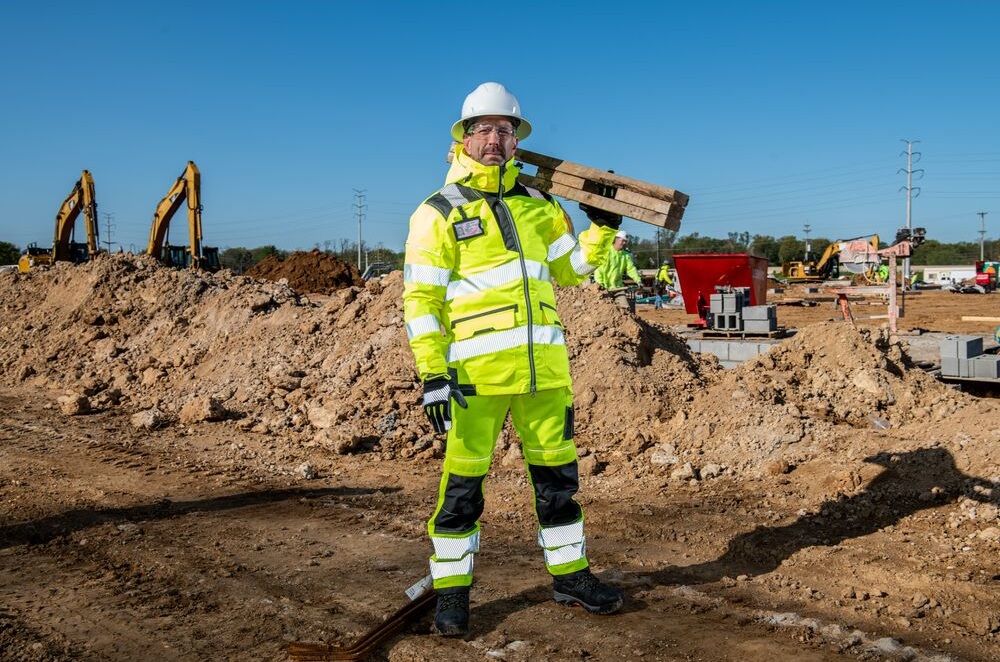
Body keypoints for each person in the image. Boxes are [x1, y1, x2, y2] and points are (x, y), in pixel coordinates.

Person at [403, 81, 625, 637]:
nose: (496, 138)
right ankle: (452, 593)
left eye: (506, 129)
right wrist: (432, 373)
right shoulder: (437, 213)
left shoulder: (541, 205)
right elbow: (421, 300)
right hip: (473, 381)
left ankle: (571, 577)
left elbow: (571, 270)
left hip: (545, 377)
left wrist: (601, 228)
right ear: (464, 137)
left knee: (558, 484)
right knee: (461, 490)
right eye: (485, 128)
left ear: (518, 140)